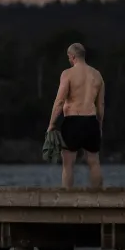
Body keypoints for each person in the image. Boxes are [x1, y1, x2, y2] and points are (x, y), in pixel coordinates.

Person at [47, 42, 105, 188]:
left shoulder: (68, 74)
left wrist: (52, 124)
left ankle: (67, 198)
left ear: (72, 56)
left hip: (73, 120)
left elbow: (59, 101)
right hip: (91, 121)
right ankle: (99, 198)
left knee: (68, 163)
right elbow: (101, 106)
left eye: (68, 58)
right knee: (94, 161)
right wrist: (100, 125)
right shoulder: (97, 75)